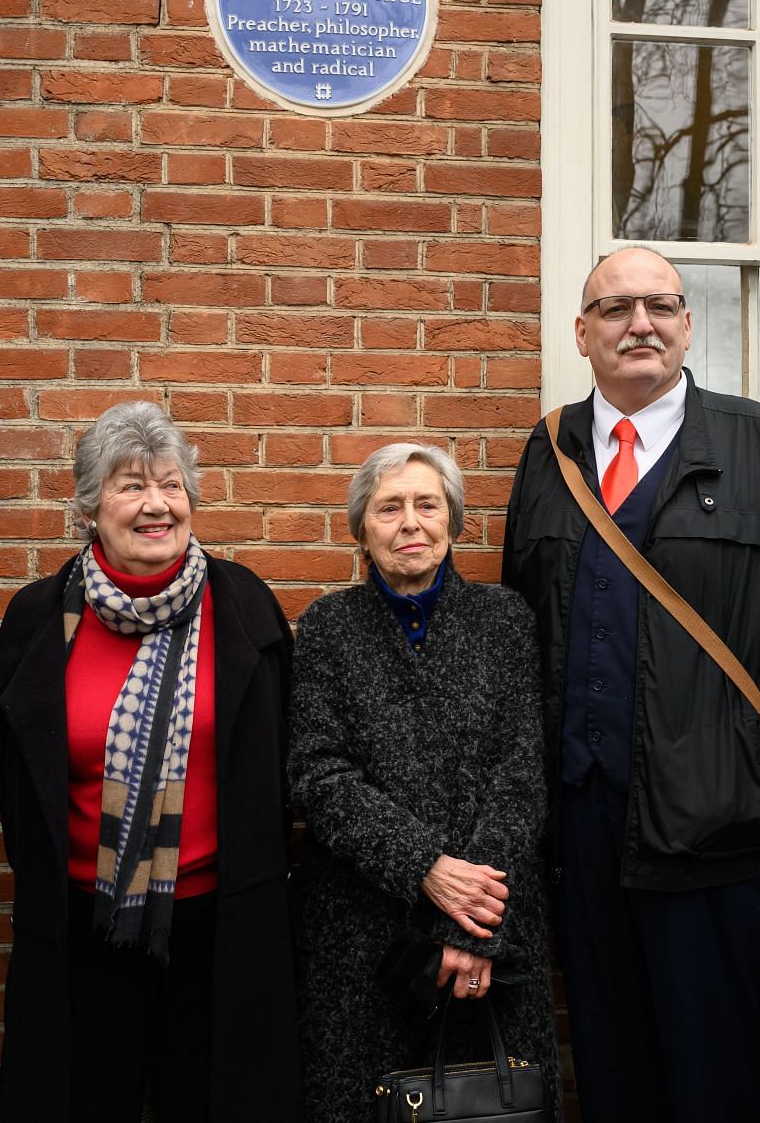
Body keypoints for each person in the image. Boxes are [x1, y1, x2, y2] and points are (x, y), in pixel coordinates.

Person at [500, 246, 760, 1121]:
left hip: (721, 833)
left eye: (659, 306)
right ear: (582, 334)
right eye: (615, 310)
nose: (639, 324)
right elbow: (517, 638)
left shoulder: (753, 442)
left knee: (718, 1083)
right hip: (583, 837)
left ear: (687, 325)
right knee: (614, 1082)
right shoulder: (550, 454)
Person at [0, 400, 302, 1122]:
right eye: (131, 486)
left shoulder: (245, 605)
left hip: (223, 928)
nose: (156, 505)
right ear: (91, 507)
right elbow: (17, 774)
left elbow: (280, 759)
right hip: (82, 929)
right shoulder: (37, 620)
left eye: (171, 485)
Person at [289, 443, 557, 1122]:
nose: (410, 522)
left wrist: (470, 926)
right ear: (362, 528)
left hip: (492, 935)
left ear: (454, 521)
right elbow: (318, 777)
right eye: (389, 508)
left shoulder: (506, 622)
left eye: (426, 504)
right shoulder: (326, 629)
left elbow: (521, 774)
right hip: (362, 940)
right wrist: (426, 867)